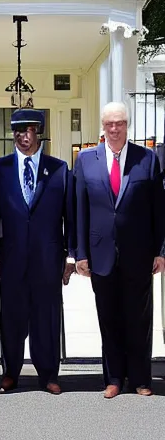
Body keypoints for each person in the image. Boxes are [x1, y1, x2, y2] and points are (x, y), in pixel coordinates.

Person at [74, 101, 165, 398]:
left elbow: (158, 210)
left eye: (120, 123)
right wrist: (80, 254)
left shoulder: (147, 159)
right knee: (109, 318)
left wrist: (160, 250)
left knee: (138, 319)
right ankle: (113, 378)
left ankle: (140, 379)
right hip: (100, 255)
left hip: (138, 254)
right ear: (103, 126)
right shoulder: (86, 160)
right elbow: (79, 210)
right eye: (109, 124)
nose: (114, 129)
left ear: (128, 125)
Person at [0, 109, 75, 395]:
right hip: (12, 258)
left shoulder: (59, 169)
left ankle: (49, 374)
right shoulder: (0, 168)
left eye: (29, 130)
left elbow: (69, 216)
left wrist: (70, 255)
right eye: (18, 131)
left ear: (39, 132)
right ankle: (10, 372)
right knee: (11, 316)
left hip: (48, 259)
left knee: (47, 317)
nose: (24, 136)